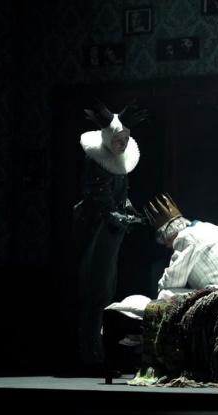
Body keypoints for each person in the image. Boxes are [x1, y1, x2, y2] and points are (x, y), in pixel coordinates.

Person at [73, 99, 148, 374]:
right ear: (107, 138)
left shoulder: (118, 161)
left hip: (111, 232)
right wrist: (125, 218)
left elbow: (120, 196)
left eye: (126, 139)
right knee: (96, 292)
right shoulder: (97, 161)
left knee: (106, 291)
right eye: (118, 139)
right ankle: (92, 356)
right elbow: (101, 201)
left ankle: (100, 353)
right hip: (96, 230)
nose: (123, 144)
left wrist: (130, 211)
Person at [143, 194, 218, 298]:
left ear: (169, 235)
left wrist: (161, 286)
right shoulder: (209, 228)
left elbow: (170, 283)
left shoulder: (185, 237)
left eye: (166, 242)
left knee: (165, 294)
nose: (168, 247)